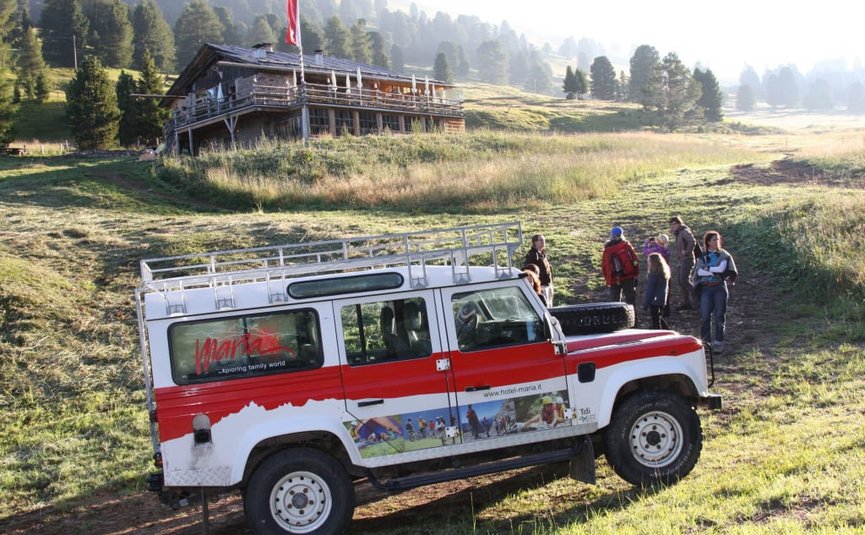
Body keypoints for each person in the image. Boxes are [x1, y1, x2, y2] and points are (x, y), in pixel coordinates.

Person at [694, 230, 734, 353]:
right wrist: (713, 271)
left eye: (718, 239)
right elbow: (699, 272)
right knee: (705, 316)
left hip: (719, 288)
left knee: (719, 316)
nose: (717, 242)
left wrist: (708, 268)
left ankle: (718, 343)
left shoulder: (724, 255)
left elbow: (722, 269)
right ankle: (706, 343)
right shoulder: (703, 256)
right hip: (706, 288)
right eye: (714, 240)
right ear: (708, 242)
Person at [601, 226, 639, 305]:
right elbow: (635, 259)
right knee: (630, 301)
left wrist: (608, 279)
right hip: (628, 276)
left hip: (614, 279)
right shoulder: (626, 245)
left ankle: (618, 317)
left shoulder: (607, 249)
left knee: (615, 303)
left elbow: (604, 266)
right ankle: (633, 316)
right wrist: (635, 274)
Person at [669, 216, 697, 310]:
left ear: (679, 223)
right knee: (681, 281)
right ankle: (686, 302)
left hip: (687, 259)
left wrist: (687, 251)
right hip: (681, 260)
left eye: (674, 224)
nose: (672, 226)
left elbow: (692, 241)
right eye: (671, 225)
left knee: (684, 280)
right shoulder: (679, 233)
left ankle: (697, 300)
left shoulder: (684, 231)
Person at [642, 253, 671, 329]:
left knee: (656, 320)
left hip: (654, 301)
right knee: (659, 317)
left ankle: (660, 333)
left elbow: (650, 291)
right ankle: (667, 331)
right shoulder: (664, 274)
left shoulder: (653, 275)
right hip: (661, 300)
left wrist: (645, 304)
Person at [524, 234, 554, 306]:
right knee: (545, 306)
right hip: (541, 285)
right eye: (540, 240)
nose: (543, 242)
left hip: (548, 284)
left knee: (550, 305)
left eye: (544, 240)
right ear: (535, 242)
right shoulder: (532, 255)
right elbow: (528, 269)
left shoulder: (542, 253)